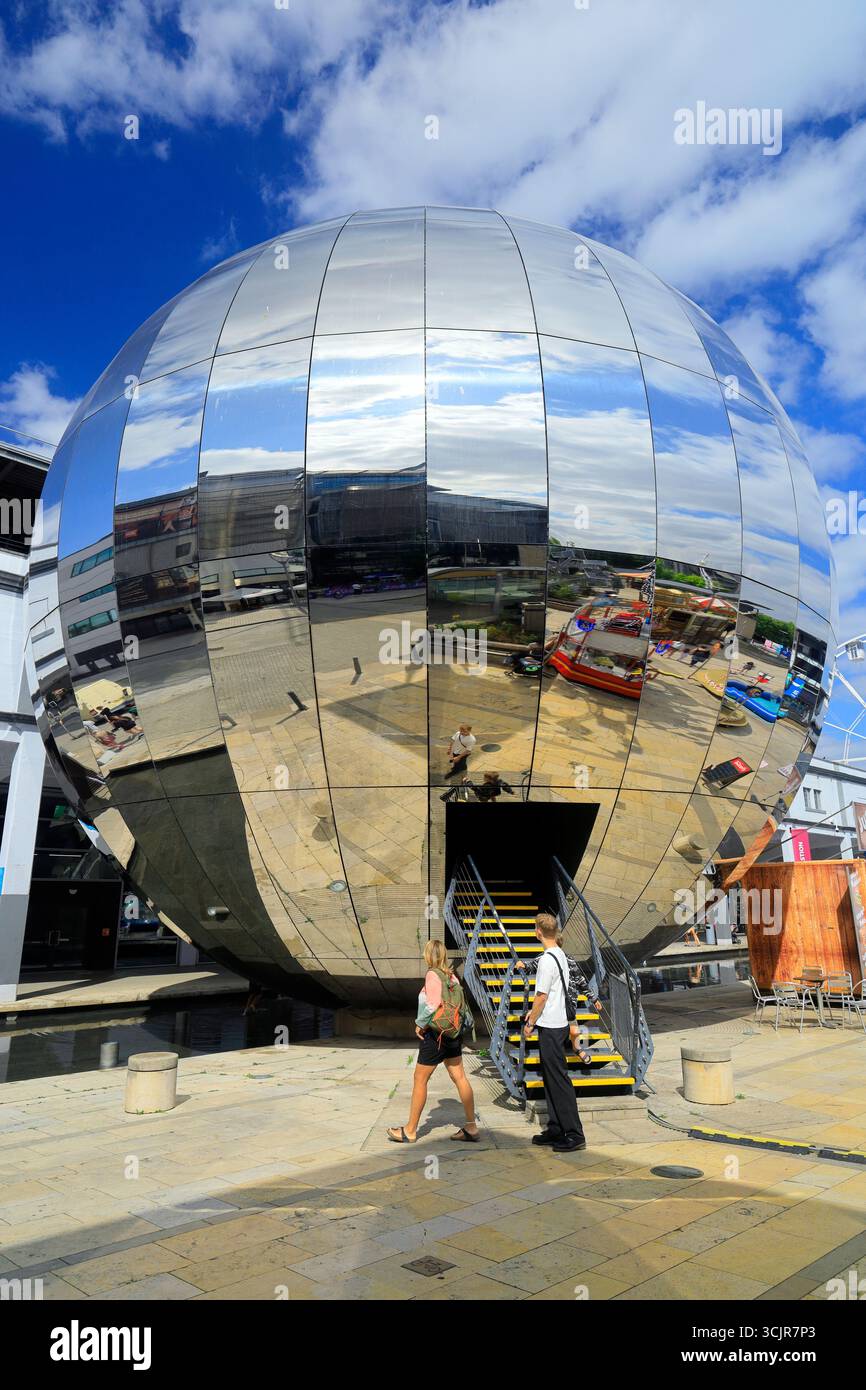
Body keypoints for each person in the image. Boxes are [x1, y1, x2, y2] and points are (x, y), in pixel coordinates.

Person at [387, 940, 479, 1144]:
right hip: (453, 1034)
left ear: (428, 955)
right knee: (460, 1077)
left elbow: (432, 1005)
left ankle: (410, 1130)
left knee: (420, 1079)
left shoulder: (433, 974)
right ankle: (471, 1127)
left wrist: (420, 1024)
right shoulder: (451, 976)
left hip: (436, 1035)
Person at [523, 912, 586, 1153]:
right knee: (551, 1077)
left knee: (558, 1079)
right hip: (558, 1022)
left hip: (550, 1026)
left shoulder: (547, 960)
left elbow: (541, 997)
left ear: (538, 932)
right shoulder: (560, 954)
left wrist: (530, 1023)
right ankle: (557, 1128)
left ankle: (574, 1133)